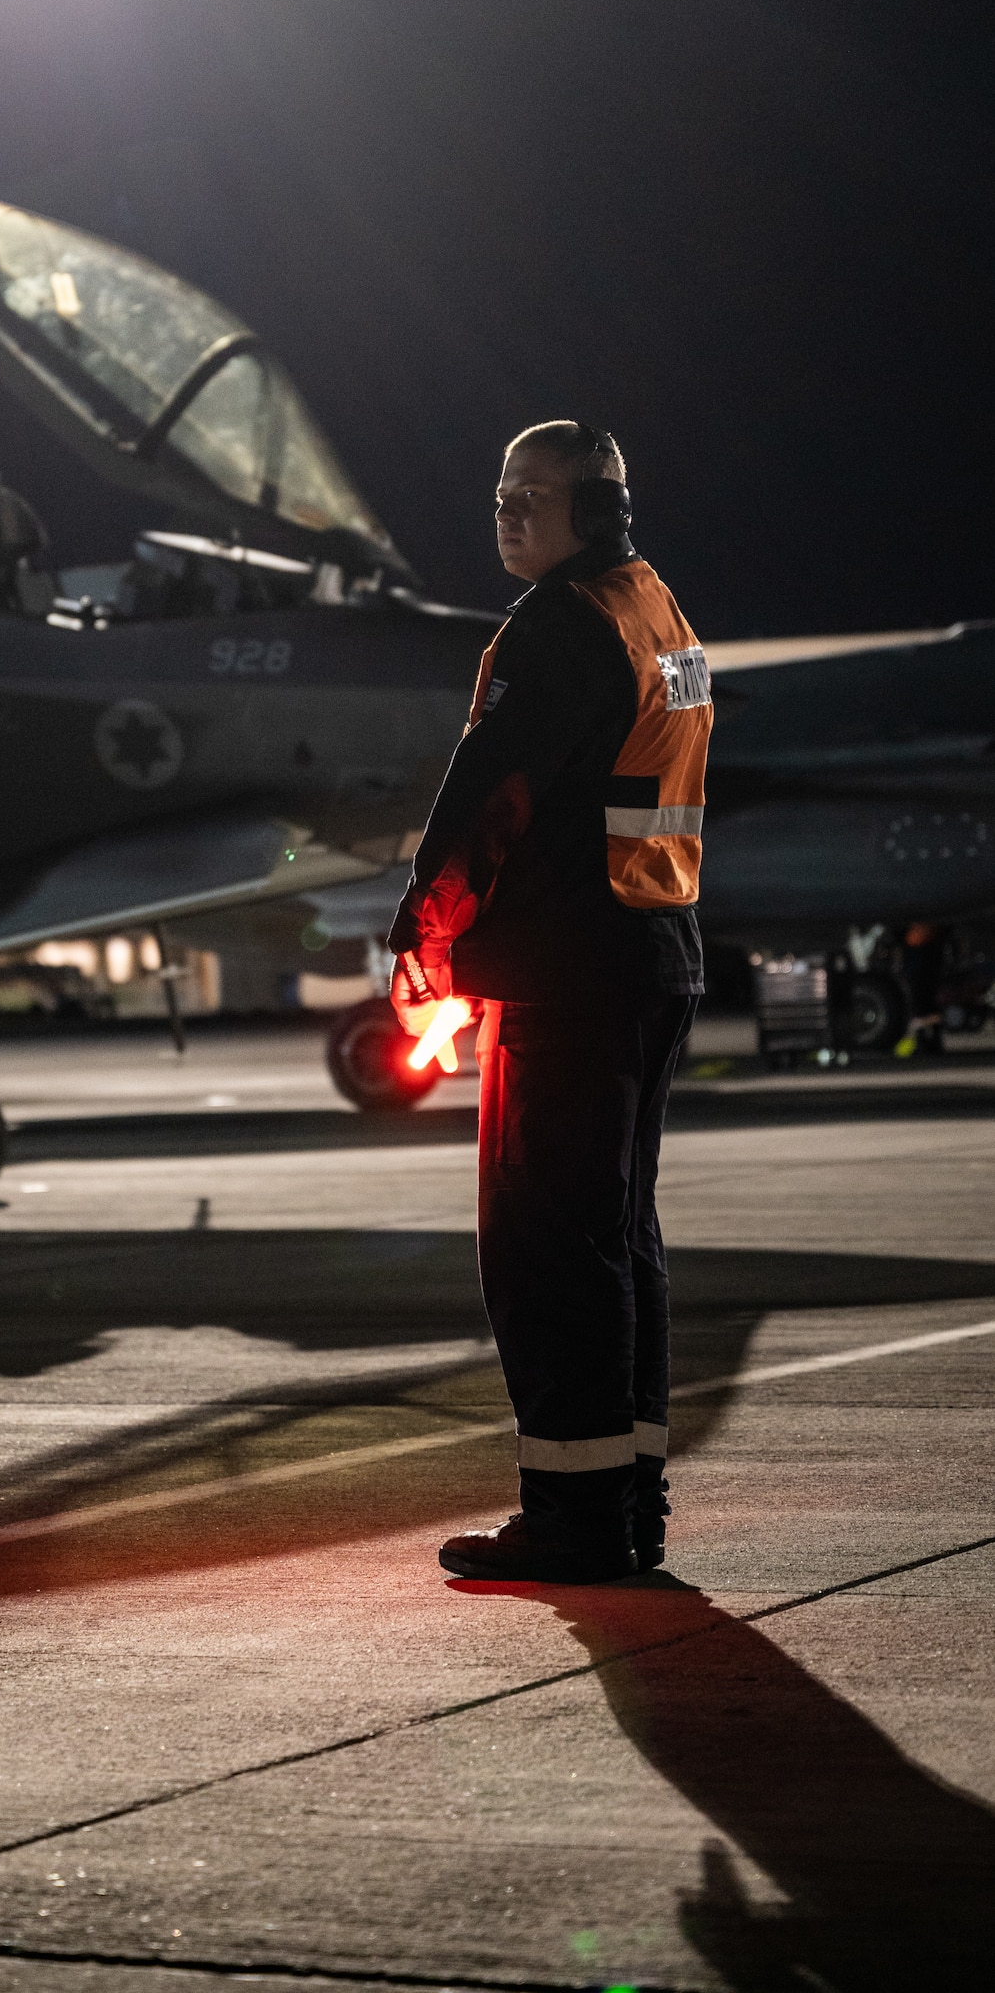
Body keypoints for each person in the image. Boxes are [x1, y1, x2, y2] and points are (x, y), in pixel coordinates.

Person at [387, 421, 711, 1583]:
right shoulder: (652, 607)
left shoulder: (559, 623)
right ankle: (628, 1507)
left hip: (571, 976)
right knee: (617, 1241)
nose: (508, 513)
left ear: (595, 508)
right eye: (500, 492)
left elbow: (494, 788)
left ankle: (574, 1521)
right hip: (649, 957)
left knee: (544, 1247)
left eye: (534, 495)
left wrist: (422, 924)